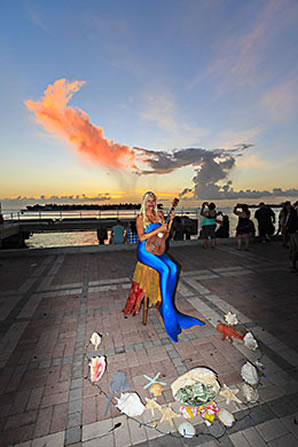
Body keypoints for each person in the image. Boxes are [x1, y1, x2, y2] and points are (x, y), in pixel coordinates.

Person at [136, 191, 204, 342]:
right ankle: (166, 307)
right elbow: (141, 237)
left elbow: (165, 232)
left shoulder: (160, 214)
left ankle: (170, 306)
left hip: (157, 249)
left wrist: (171, 222)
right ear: (144, 202)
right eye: (149, 201)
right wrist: (157, 230)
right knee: (165, 269)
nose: (152, 204)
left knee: (173, 267)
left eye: (153, 201)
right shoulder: (141, 218)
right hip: (145, 251)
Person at [286, 201, 298, 272]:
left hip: (292, 232)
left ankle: (293, 265)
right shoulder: (294, 212)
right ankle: (293, 265)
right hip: (295, 232)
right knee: (295, 249)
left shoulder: (293, 211)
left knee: (294, 249)